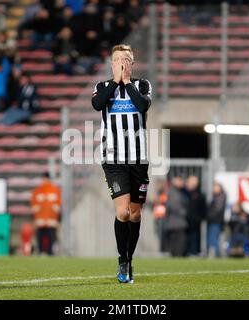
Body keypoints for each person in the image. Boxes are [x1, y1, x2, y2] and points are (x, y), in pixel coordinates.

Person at [91, 44, 152, 283]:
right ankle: (122, 260)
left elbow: (143, 105)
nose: (123, 62)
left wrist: (126, 82)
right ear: (112, 64)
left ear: (133, 64)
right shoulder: (103, 87)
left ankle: (129, 258)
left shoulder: (142, 85)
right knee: (123, 212)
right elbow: (97, 105)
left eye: (127, 59)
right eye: (118, 59)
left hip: (139, 159)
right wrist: (116, 81)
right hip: (113, 158)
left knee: (135, 215)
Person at [31, 173, 62, 255]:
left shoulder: (55, 190)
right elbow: (34, 204)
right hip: (40, 219)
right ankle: (41, 251)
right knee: (40, 236)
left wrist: (57, 218)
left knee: (51, 236)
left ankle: (50, 252)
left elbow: (58, 204)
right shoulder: (38, 190)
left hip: (51, 220)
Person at [164, 176, 189, 257]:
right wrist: (183, 212)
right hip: (175, 222)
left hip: (178, 222)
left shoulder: (180, 191)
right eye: (180, 181)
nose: (182, 182)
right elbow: (173, 205)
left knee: (179, 241)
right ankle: (176, 255)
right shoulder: (173, 192)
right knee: (177, 241)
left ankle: (177, 255)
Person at [185, 176, 206, 256]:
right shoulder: (185, 192)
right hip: (186, 220)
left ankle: (194, 252)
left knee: (195, 238)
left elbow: (202, 208)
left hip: (195, 221)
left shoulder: (199, 194)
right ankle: (188, 252)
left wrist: (200, 218)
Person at [206, 182, 226, 257]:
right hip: (214, 220)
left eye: (215, 187)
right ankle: (216, 253)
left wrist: (210, 215)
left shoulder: (220, 197)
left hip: (216, 221)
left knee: (213, 237)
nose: (213, 189)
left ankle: (216, 253)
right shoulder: (217, 196)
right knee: (213, 237)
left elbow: (217, 209)